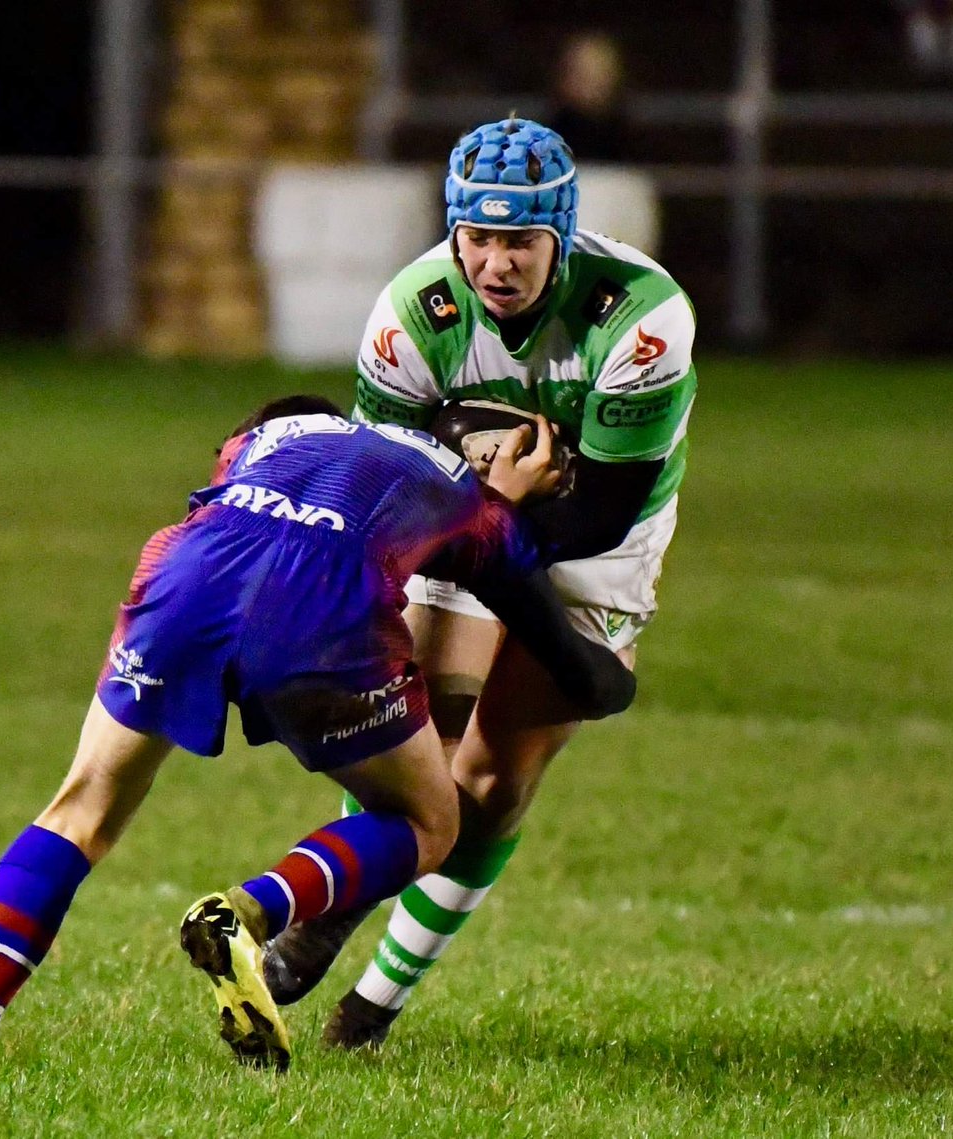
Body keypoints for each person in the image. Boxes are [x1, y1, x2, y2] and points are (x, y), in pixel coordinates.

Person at [0, 394, 637, 1072]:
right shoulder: (476, 508)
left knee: (80, 809)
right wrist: (620, 664)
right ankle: (251, 911)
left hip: (189, 569)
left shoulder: (262, 440)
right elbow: (578, 671)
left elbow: (251, 482)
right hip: (324, 605)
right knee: (429, 821)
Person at [262, 117, 698, 1050]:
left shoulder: (643, 320)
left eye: (521, 242)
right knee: (409, 736)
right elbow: (382, 485)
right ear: (454, 232)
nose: (496, 263)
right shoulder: (411, 317)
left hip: (589, 547)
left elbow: (602, 512)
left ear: (563, 235)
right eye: (479, 239)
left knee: (495, 780)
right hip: (458, 517)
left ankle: (374, 1006)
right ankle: (341, 899)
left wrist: (496, 523)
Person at [547, 31, 630, 163]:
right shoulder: (547, 140)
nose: (585, 82)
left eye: (595, 73)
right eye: (578, 73)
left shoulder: (629, 140)